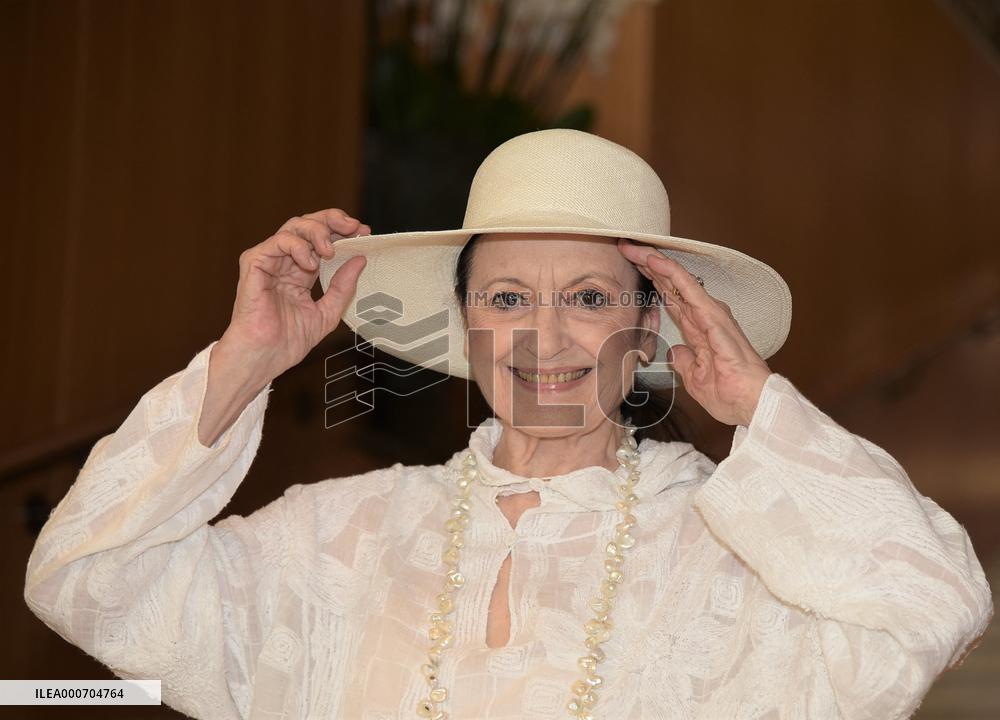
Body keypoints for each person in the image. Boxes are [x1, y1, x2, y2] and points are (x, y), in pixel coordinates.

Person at [24, 129, 993, 720]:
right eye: (505, 298)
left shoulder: (731, 540)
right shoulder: (341, 533)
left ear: (649, 323)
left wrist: (757, 408)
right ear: (465, 323)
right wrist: (244, 360)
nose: (543, 337)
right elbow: (89, 582)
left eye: (585, 296)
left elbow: (933, 605)